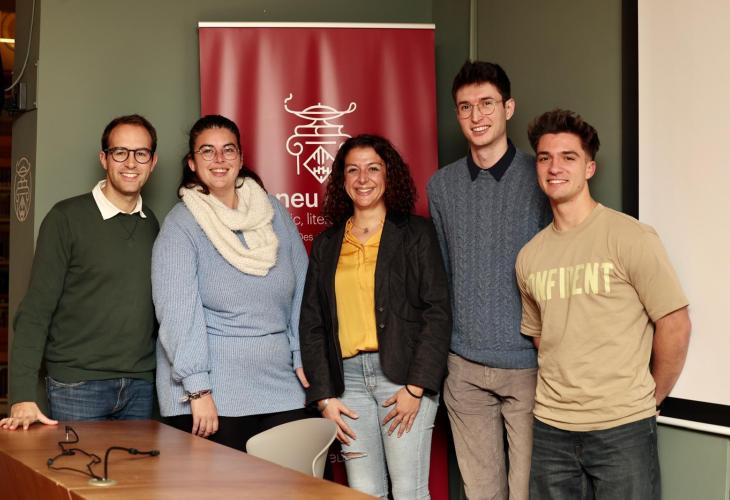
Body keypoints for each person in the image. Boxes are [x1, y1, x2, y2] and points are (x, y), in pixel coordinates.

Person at [517, 109, 691, 499]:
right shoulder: (529, 256)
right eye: (545, 158)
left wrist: (650, 398)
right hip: (551, 428)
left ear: (590, 168)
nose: (554, 167)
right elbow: (542, 337)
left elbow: (675, 324)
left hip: (622, 427)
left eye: (568, 157)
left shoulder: (630, 237)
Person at [300, 134, 451, 499]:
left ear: (388, 174)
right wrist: (324, 397)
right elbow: (312, 323)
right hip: (347, 384)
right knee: (364, 492)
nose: (363, 178)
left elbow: (438, 311)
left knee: (409, 490)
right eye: (353, 170)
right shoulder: (327, 244)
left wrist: (416, 387)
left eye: (373, 168)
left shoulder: (415, 233)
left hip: (402, 379)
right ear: (342, 180)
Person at [426, 61, 551, 499]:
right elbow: (442, 274)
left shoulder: (541, 177)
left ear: (508, 108)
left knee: (529, 492)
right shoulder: (441, 187)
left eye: (486, 104)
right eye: (465, 107)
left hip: (529, 366)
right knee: (481, 493)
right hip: (464, 369)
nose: (476, 116)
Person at [152, 115, 310, 452]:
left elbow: (303, 289)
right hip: (214, 394)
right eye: (207, 151)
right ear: (192, 163)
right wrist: (198, 389)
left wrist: (301, 355)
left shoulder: (274, 212)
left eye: (228, 150)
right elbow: (178, 313)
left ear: (240, 158)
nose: (219, 159)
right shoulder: (181, 224)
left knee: (292, 479)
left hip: (283, 383)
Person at [1, 114, 159, 430]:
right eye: (120, 152)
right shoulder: (65, 218)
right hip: (77, 386)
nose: (131, 163)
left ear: (152, 162)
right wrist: (21, 395)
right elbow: (35, 311)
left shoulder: (152, 225)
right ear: (104, 158)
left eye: (141, 153)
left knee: (138, 467)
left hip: (140, 385)